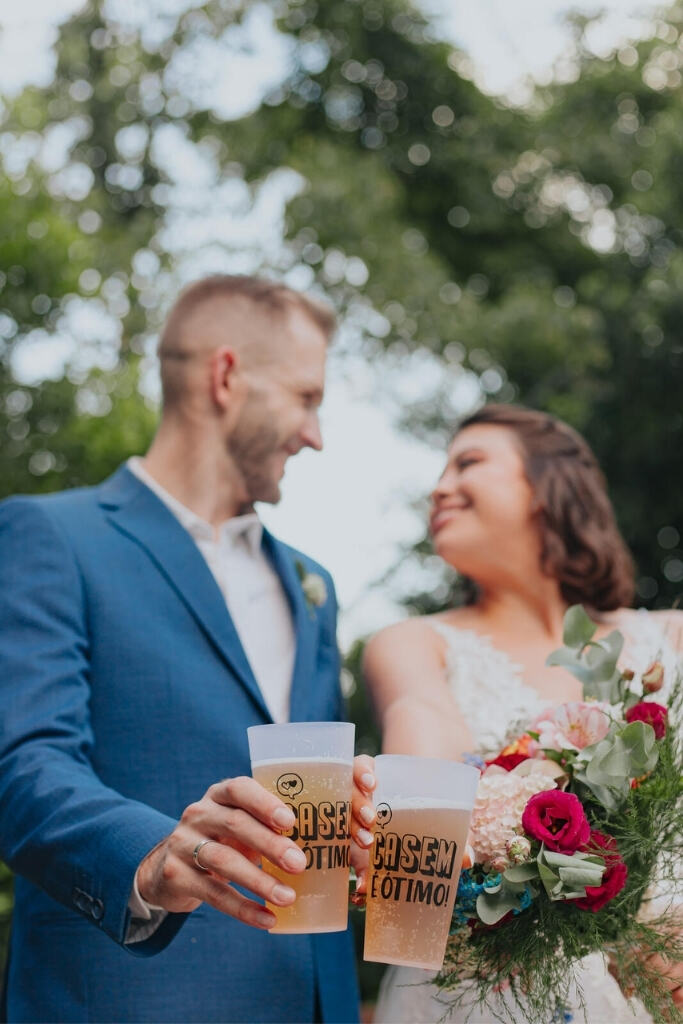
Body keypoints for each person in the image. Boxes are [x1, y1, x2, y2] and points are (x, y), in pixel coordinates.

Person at [0, 275, 377, 1023]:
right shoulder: (52, 537)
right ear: (227, 375)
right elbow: (23, 763)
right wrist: (152, 857)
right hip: (135, 999)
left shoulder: (314, 584)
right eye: (306, 399)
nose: (316, 434)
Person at [362, 403, 682, 1023]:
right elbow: (423, 750)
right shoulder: (413, 644)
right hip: (477, 998)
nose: (439, 486)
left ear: (546, 488)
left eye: (469, 463)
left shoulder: (670, 640)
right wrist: (410, 817)